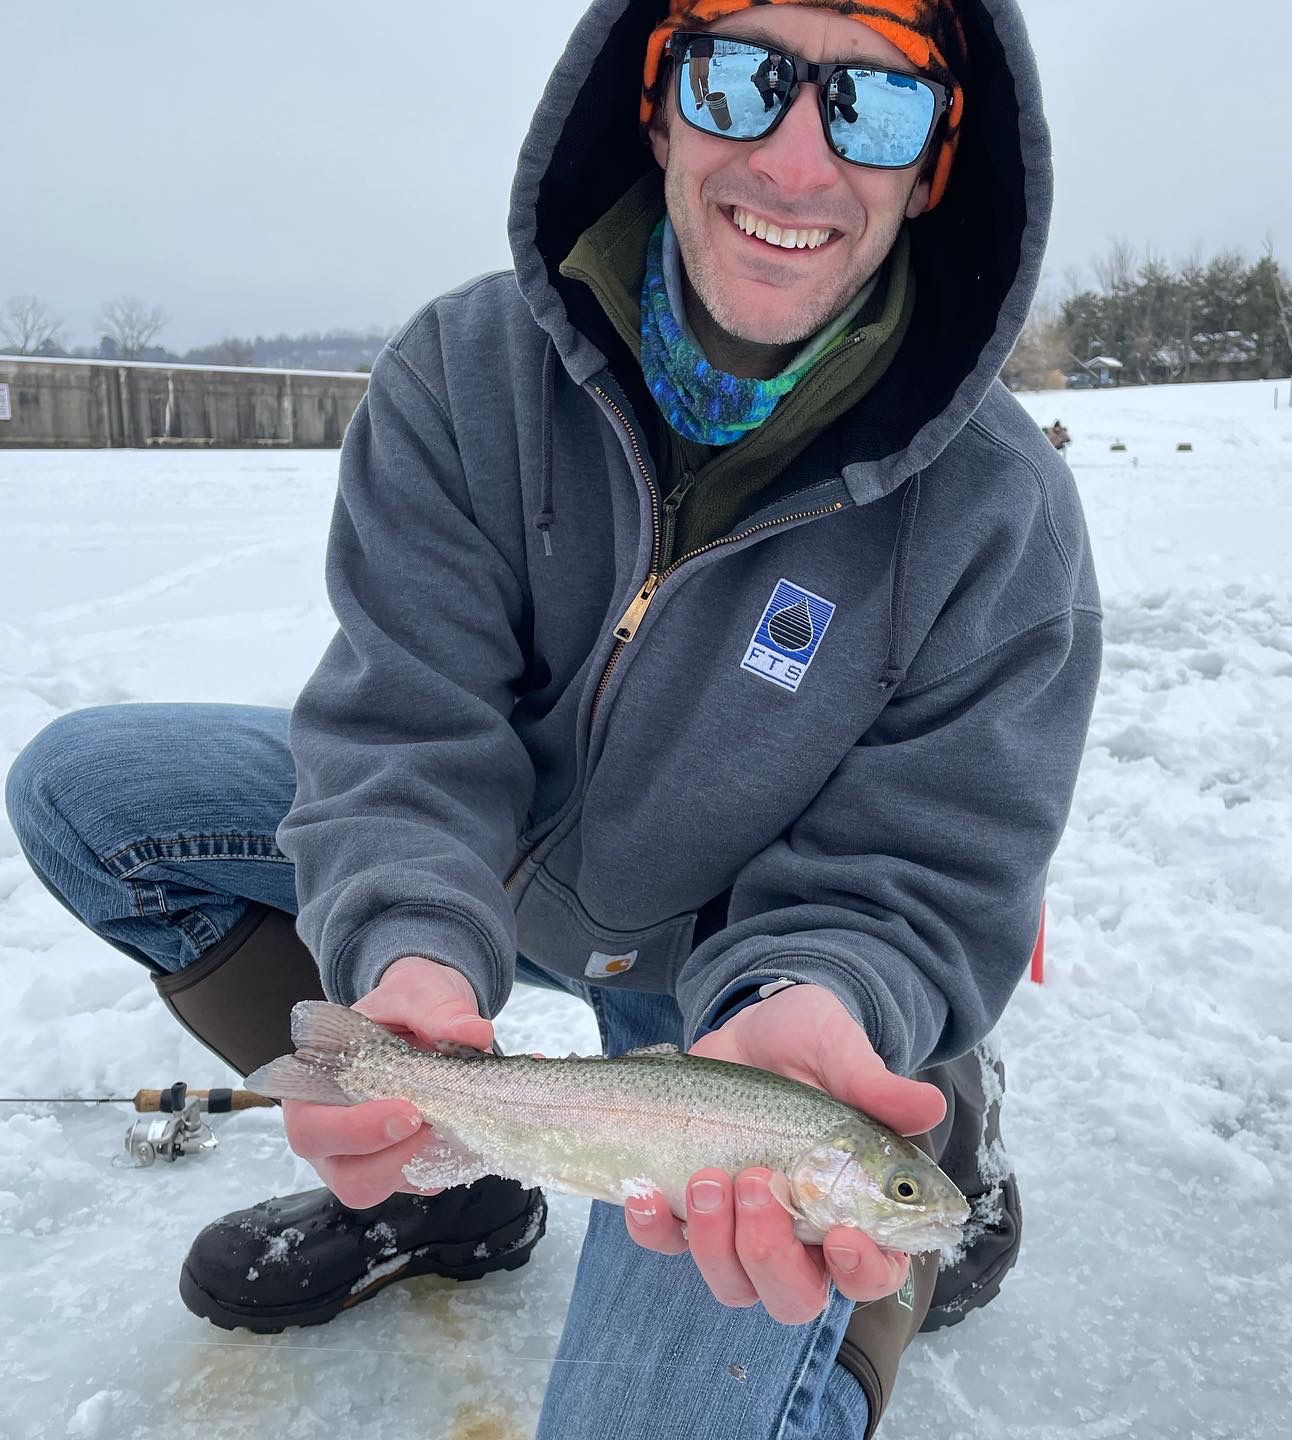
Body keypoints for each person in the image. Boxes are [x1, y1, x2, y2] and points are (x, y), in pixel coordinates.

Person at [4, 1, 1101, 1436]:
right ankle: (455, 1166)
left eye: (873, 103)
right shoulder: (465, 374)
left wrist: (824, 996)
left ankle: (899, 1237)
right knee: (92, 796)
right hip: (506, 878)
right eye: (740, 75)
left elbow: (912, 873)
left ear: (934, 162)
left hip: (751, 998)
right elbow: (407, 724)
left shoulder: (1001, 520)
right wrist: (404, 962)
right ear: (653, 100)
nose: (792, 155)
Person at [751, 47, 798, 111]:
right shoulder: (764, 65)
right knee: (769, 103)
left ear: (781, 56)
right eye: (772, 56)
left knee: (787, 103)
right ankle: (768, 104)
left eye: (777, 56)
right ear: (769, 56)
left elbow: (792, 84)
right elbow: (758, 79)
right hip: (768, 87)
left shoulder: (787, 67)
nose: (775, 59)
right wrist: (766, 82)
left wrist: (780, 84)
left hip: (781, 88)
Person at [687, 31, 713, 110]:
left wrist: (709, 56)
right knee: (693, 78)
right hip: (694, 55)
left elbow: (711, 42)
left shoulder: (708, 28)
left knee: (703, 78)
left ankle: (706, 96)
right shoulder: (691, 28)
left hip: (704, 55)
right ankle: (698, 100)